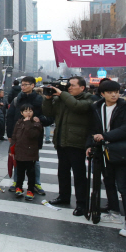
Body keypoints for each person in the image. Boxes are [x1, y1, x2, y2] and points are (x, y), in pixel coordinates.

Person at [86, 79, 126, 237]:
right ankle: (114, 212)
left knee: (123, 186)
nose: (114, 94)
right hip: (103, 151)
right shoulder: (97, 107)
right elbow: (92, 129)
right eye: (110, 92)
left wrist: (105, 136)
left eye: (116, 92)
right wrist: (89, 145)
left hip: (120, 151)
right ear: (102, 94)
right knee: (108, 181)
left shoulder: (125, 107)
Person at [43, 76, 93, 216]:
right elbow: (48, 113)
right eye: (68, 85)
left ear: (82, 87)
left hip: (77, 142)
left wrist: (62, 94)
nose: (69, 87)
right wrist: (47, 98)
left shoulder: (87, 99)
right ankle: (63, 197)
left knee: (79, 175)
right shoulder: (63, 99)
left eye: (72, 85)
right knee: (63, 172)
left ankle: (82, 204)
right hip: (62, 140)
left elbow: (77, 107)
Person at [6, 76, 47, 196]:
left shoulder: (40, 100)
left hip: (33, 135)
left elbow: (48, 117)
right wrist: (9, 133)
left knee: (34, 162)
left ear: (33, 85)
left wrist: (39, 120)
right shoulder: (17, 99)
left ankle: (36, 183)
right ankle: (16, 183)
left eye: (25, 85)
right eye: (22, 85)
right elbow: (10, 117)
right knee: (17, 158)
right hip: (18, 135)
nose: (22, 87)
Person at [11, 104, 42, 201]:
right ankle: (19, 187)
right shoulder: (19, 123)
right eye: (25, 111)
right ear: (21, 113)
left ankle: (30, 190)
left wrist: (28, 122)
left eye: (30, 111)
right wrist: (11, 150)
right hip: (19, 151)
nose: (28, 113)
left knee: (31, 172)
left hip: (30, 152)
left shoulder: (36, 123)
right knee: (20, 171)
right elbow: (14, 136)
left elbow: (33, 135)